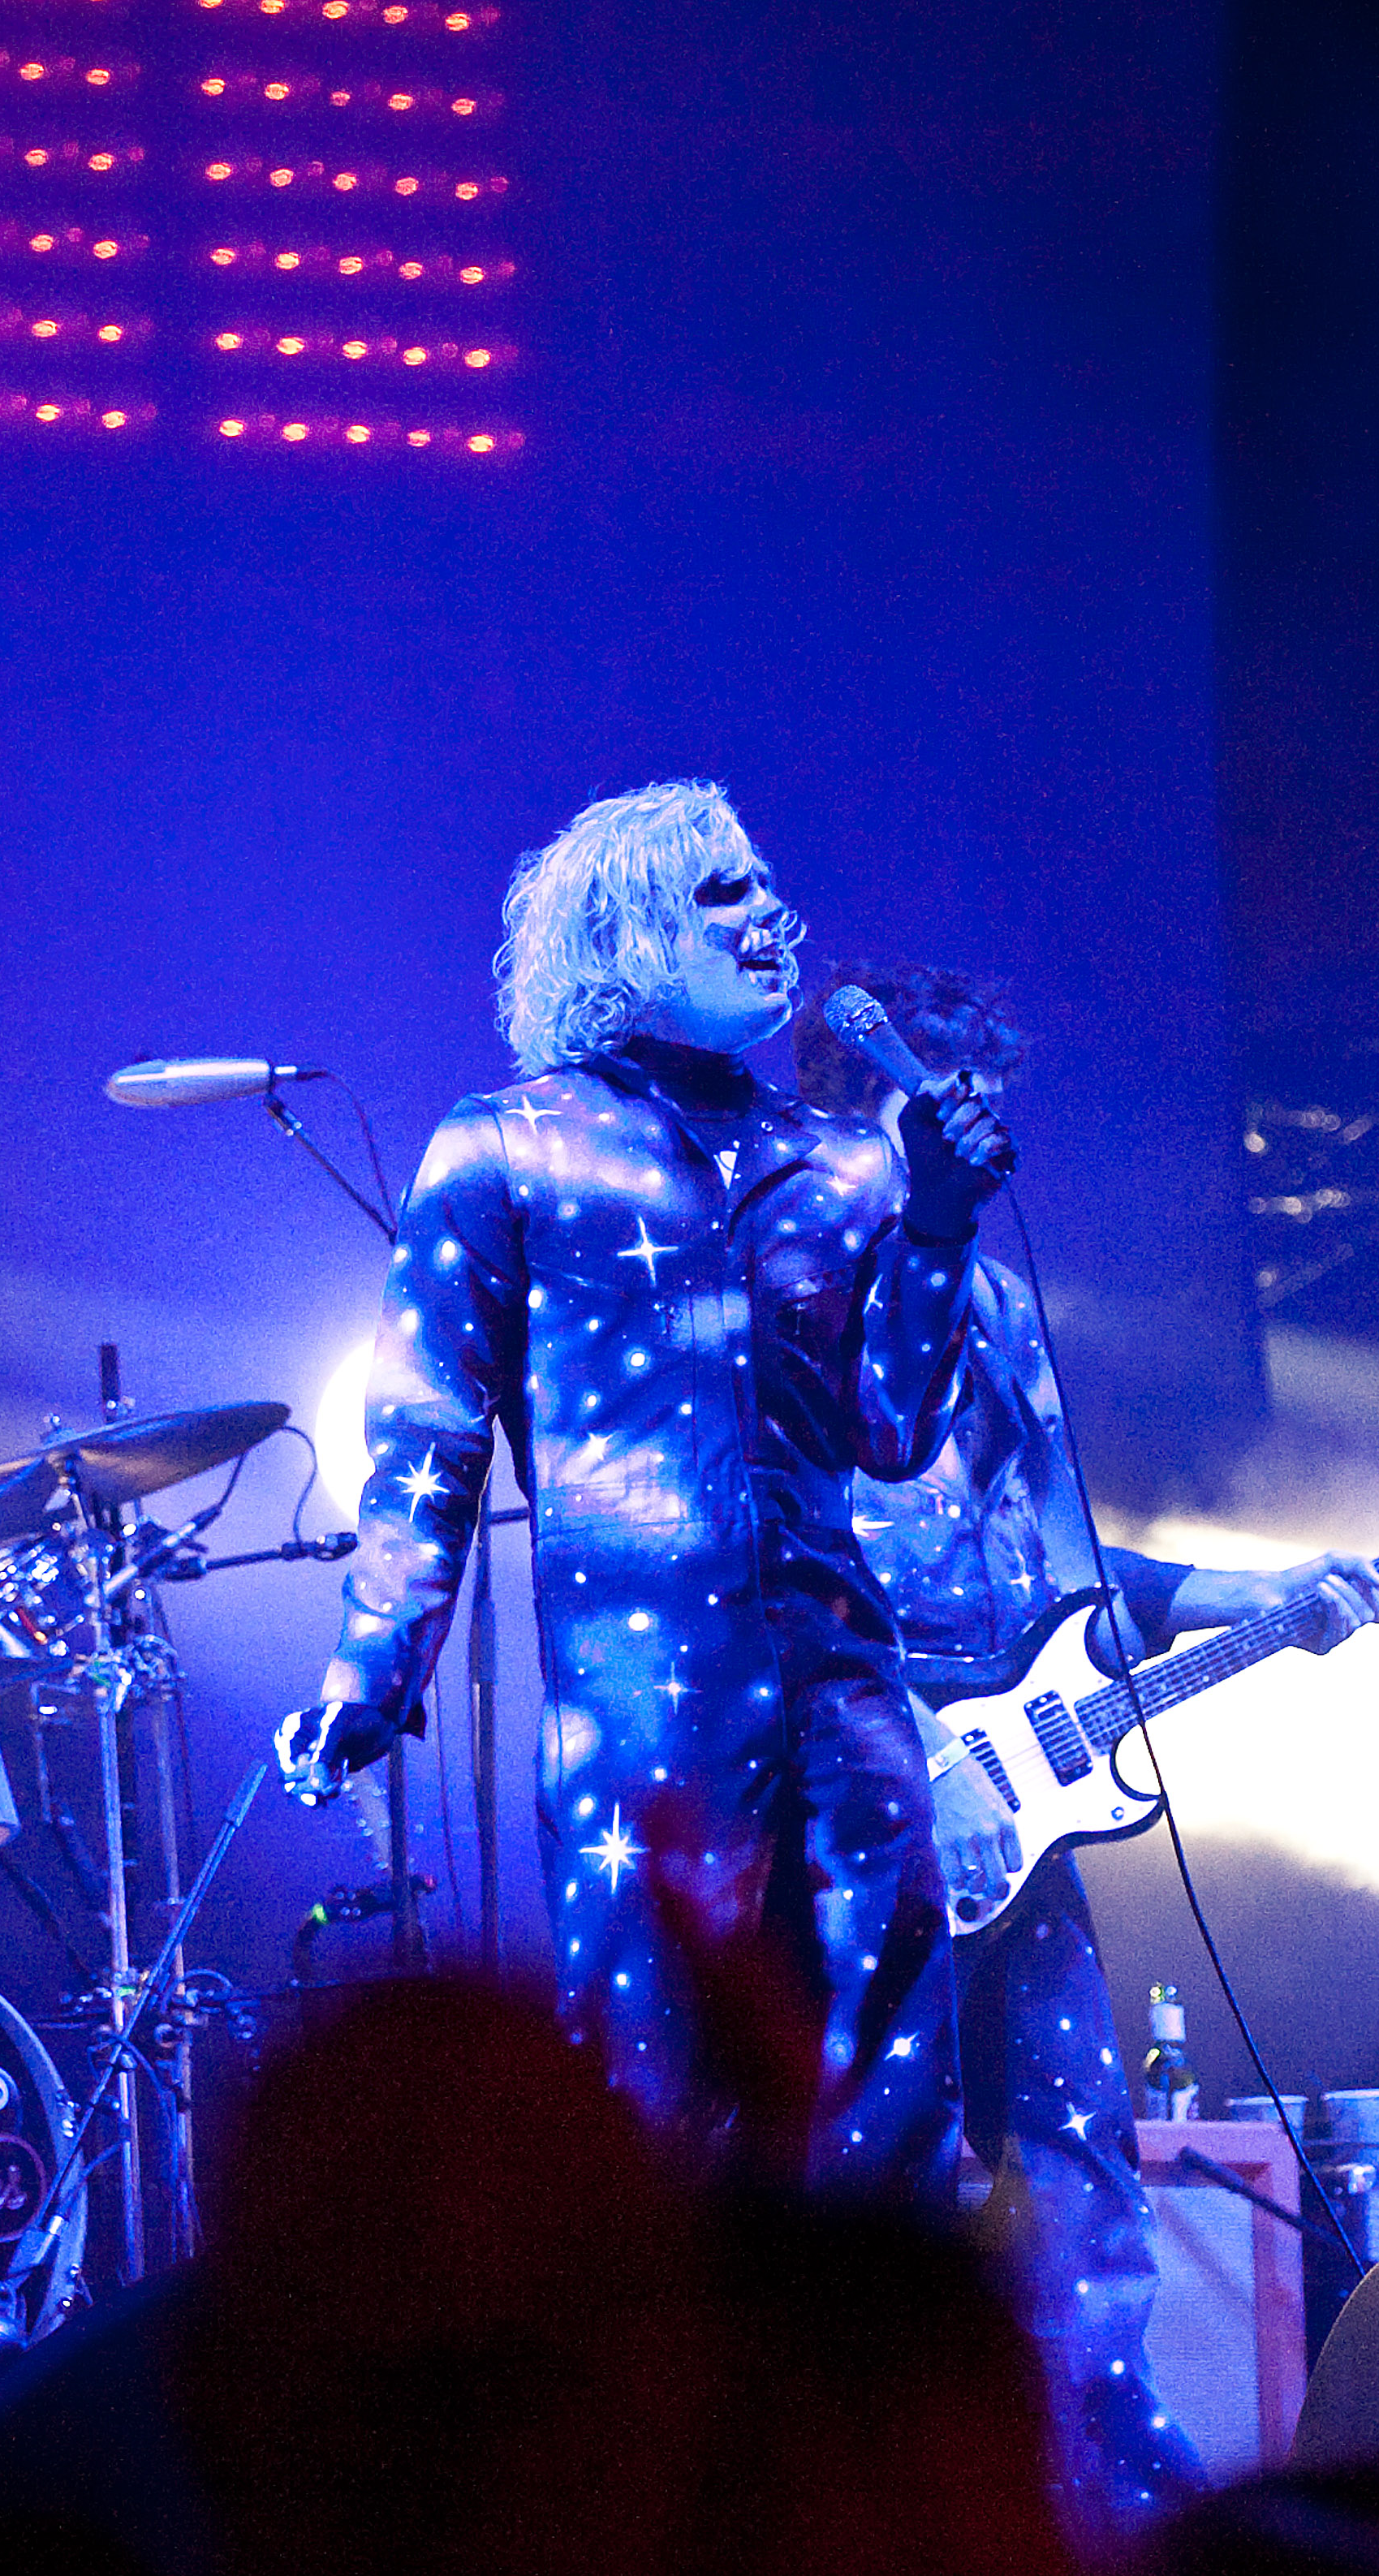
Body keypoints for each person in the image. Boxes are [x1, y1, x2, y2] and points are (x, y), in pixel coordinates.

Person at [276, 782, 1014, 2199]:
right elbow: (426, 1440)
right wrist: (371, 1668)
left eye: (766, 886)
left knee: (892, 2159)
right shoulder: (507, 1147)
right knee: (658, 2140)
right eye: (720, 892)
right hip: (643, 1745)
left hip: (848, 1717)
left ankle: (885, 2415)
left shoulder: (846, 1163)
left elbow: (894, 1431)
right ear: (621, 934)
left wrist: (935, 1221)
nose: (770, 917)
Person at [794, 961, 1379, 2513]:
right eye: (947, 1100)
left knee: (1083, 2176)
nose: (981, 1129)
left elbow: (1077, 1582)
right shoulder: (792, 1285)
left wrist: (1268, 1599)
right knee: (884, 2189)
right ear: (868, 1116)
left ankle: (1123, 2533)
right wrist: (924, 1752)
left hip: (1022, 1803)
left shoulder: (991, 1302)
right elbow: (774, 1567)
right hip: (871, 1792)